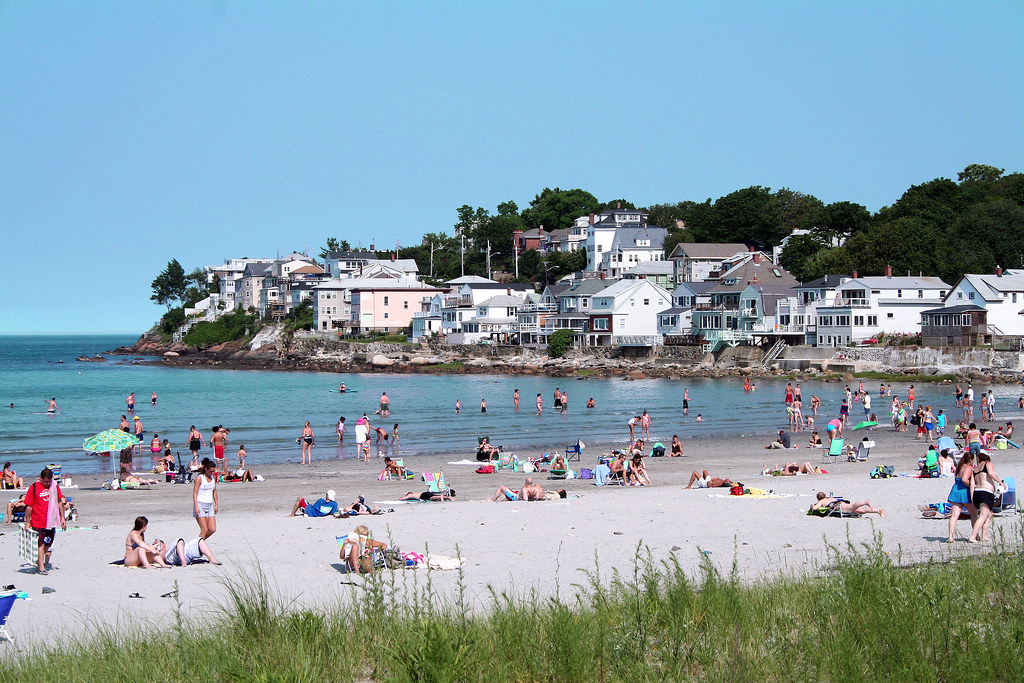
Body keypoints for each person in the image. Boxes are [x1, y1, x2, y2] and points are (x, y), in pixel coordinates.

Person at [23, 467, 67, 575]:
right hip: (38, 520)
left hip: (51, 520)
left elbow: (59, 502)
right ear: (41, 479)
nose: (48, 484)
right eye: (46, 482)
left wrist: (62, 518)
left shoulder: (54, 486)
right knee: (41, 543)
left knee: (49, 542)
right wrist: (28, 521)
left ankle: (40, 560)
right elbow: (29, 506)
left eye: (49, 481)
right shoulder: (34, 487)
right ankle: (41, 567)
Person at [968, 452, 1005, 543]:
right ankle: (973, 536)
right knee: (983, 516)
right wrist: (1001, 483)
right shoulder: (988, 464)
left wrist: (972, 497)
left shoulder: (975, 469)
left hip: (977, 492)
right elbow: (991, 474)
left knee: (989, 515)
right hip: (986, 493)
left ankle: (984, 536)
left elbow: (972, 484)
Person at [947, 452, 978, 543]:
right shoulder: (968, 467)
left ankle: (950, 536)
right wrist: (971, 486)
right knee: (974, 514)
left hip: (956, 489)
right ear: (971, 460)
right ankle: (975, 535)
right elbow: (964, 479)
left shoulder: (959, 467)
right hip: (964, 491)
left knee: (954, 515)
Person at [192, 458, 218, 539]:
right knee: (204, 530)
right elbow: (195, 493)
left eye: (213, 471)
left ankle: (197, 544)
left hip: (209, 505)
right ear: (206, 469)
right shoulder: (200, 478)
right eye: (210, 471)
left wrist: (216, 504)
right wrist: (196, 507)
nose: (212, 473)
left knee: (212, 529)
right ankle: (199, 547)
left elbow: (214, 491)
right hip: (200, 504)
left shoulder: (213, 477)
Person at [809, 492, 885, 517]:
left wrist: (812, 505)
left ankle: (865, 502)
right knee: (861, 511)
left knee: (852, 507)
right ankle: (878, 511)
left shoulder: (821, 501)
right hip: (841, 502)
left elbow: (815, 508)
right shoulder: (829, 498)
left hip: (837, 505)